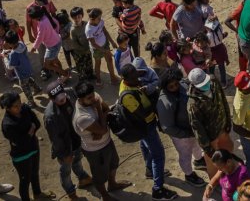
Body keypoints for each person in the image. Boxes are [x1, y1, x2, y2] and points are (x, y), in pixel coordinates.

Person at [117, 64, 177, 199]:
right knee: (158, 155)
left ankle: (149, 169)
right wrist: (157, 105)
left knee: (145, 145)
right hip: (146, 125)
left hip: (144, 127)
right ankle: (158, 189)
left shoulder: (130, 83)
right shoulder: (127, 97)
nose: (138, 79)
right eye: (134, 77)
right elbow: (143, 114)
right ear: (126, 79)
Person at [74, 81, 131, 200]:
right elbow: (103, 129)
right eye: (89, 98)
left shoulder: (94, 97)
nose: (94, 99)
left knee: (114, 163)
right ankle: (105, 196)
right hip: (95, 150)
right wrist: (99, 111)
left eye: (93, 95)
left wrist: (101, 125)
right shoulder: (81, 118)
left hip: (107, 142)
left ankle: (112, 184)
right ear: (81, 100)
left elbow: (107, 110)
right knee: (99, 176)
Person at [158, 67, 208, 187]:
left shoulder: (183, 85)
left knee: (196, 145)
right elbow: (168, 127)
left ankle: (198, 160)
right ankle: (189, 174)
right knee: (185, 154)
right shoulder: (165, 102)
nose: (175, 87)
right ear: (165, 86)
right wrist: (186, 133)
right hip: (181, 135)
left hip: (192, 129)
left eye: (176, 83)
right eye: (171, 86)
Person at [44, 83, 93, 201]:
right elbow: (55, 139)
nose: (63, 101)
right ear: (51, 99)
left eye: (64, 98)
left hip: (76, 139)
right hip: (65, 147)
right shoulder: (51, 116)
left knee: (77, 160)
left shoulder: (70, 93)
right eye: (59, 100)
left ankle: (83, 178)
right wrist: (65, 154)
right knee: (65, 171)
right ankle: (72, 194)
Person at [187, 66, 235, 178]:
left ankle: (229, 172)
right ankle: (216, 182)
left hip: (223, 128)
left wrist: (228, 122)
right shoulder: (193, 104)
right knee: (214, 163)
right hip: (211, 138)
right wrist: (208, 148)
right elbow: (198, 129)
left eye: (206, 82)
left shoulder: (213, 81)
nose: (206, 85)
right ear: (194, 85)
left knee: (229, 150)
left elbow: (223, 101)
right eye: (202, 84)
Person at [0, 91, 47, 201]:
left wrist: (29, 133)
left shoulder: (25, 108)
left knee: (35, 173)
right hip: (21, 156)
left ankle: (37, 193)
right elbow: (21, 142)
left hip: (33, 147)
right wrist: (31, 130)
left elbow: (37, 123)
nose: (19, 107)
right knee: (25, 180)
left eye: (19, 103)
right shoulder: (8, 124)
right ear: (8, 108)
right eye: (16, 106)